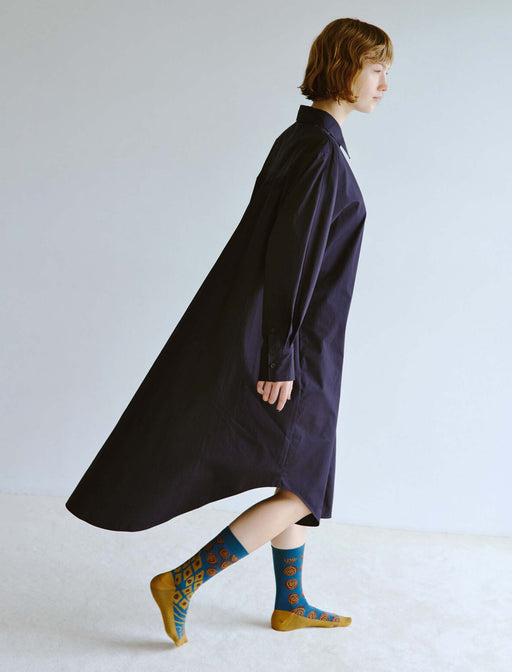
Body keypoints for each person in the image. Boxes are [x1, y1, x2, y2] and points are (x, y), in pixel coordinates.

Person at [66, 17, 393, 647]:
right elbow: (291, 258)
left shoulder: (302, 140)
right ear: (345, 67)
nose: (384, 83)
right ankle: (183, 581)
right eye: (376, 68)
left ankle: (290, 602)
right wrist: (280, 357)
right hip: (301, 348)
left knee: (295, 472)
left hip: (302, 342)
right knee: (305, 487)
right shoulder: (320, 154)